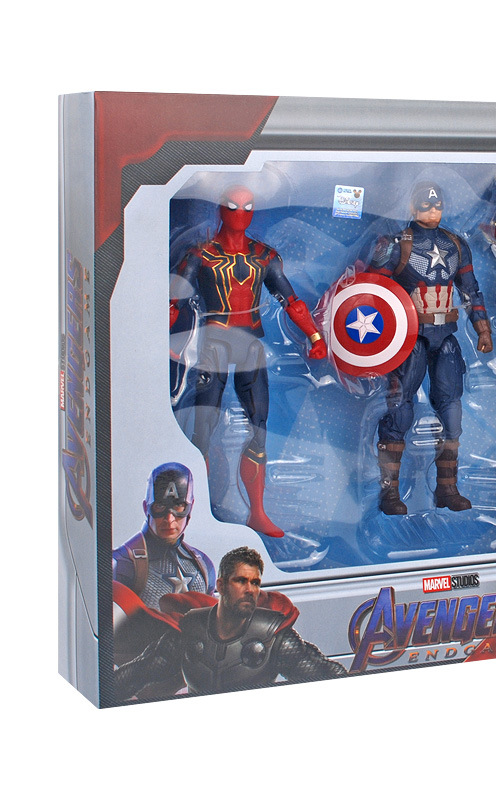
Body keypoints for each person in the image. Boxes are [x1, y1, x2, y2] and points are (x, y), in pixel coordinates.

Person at [170, 185, 327, 537]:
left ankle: (257, 512)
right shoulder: (200, 255)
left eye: (247, 207)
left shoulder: (264, 257)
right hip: (213, 344)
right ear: (221, 209)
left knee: (259, 429)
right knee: (202, 431)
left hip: (250, 346)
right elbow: (173, 303)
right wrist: (164, 345)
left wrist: (315, 336)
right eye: (233, 206)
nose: (240, 213)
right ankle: (199, 513)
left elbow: (292, 302)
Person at [368, 181, 493, 514]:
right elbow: (370, 291)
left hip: (446, 335)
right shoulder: (396, 244)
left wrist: (482, 328)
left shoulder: (455, 244)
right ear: (412, 208)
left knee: (452, 414)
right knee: (399, 411)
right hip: (409, 338)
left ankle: (447, 489)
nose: (433, 211)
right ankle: (390, 493)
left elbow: (471, 290)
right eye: (426, 205)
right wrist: (372, 340)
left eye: (437, 206)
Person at [115, 546, 347, 700]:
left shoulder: (275, 638)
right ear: (221, 585)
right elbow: (135, 675)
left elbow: (329, 676)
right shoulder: (190, 631)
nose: (250, 590)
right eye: (241, 581)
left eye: (255, 583)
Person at [113, 462, 214, 610]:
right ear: (146, 508)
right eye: (160, 506)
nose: (169, 519)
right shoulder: (122, 564)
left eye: (178, 506)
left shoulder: (203, 565)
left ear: (190, 507)